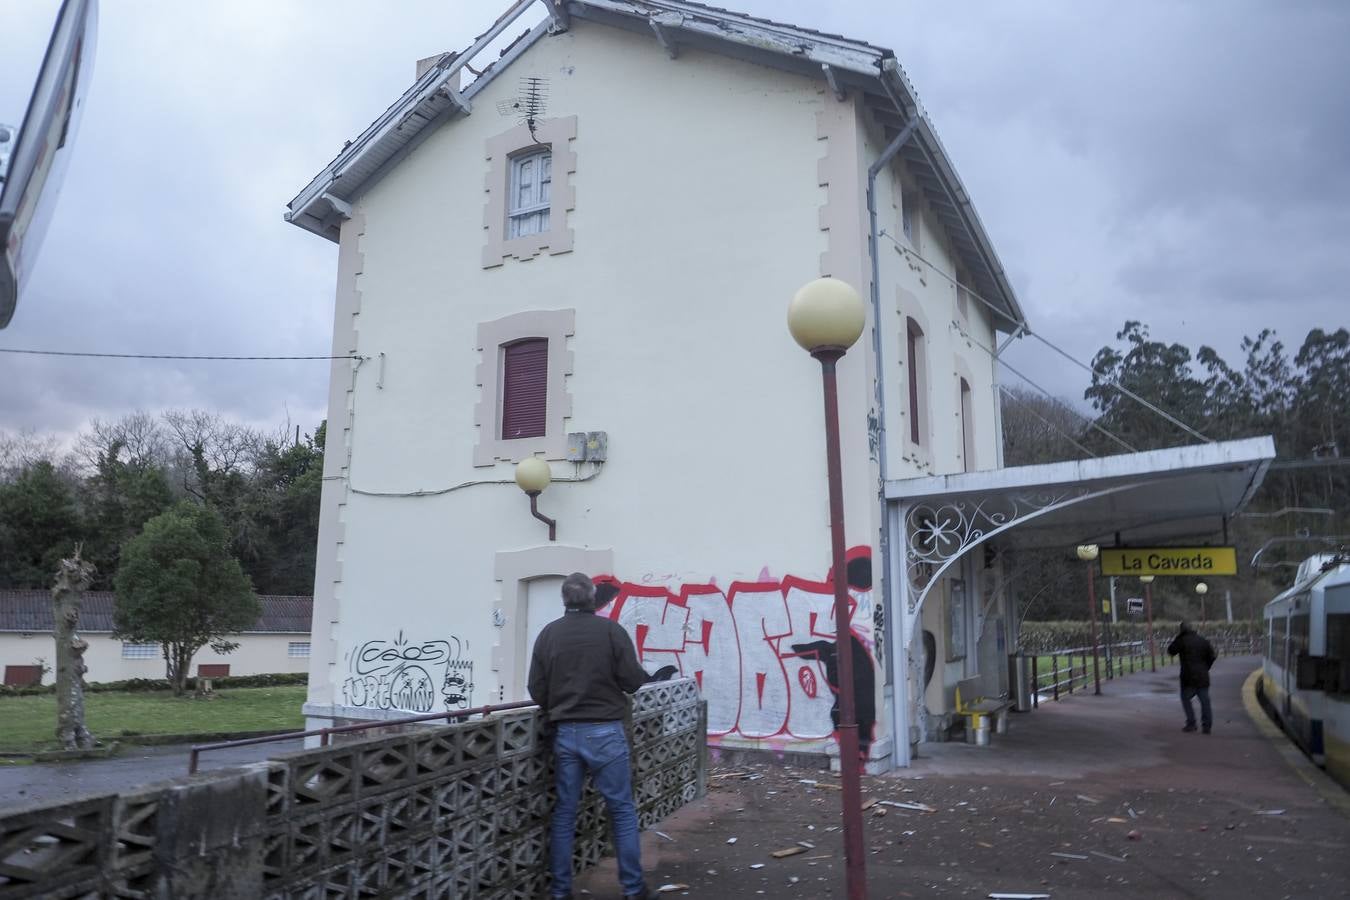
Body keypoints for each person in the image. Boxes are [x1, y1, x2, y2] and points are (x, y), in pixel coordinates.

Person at [528, 573, 660, 900]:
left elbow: (536, 688)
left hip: (564, 734)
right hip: (605, 732)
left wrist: (559, 704)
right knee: (622, 811)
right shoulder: (612, 632)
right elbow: (632, 681)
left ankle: (560, 892)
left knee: (564, 813)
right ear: (592, 598)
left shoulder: (548, 635)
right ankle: (633, 890)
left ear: (564, 600)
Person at [1167, 620, 1217, 733]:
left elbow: (1171, 651)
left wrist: (1178, 637)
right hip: (1203, 676)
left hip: (1188, 676)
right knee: (1205, 701)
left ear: (1182, 630)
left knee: (1185, 698)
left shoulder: (1181, 640)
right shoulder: (1203, 640)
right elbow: (1212, 655)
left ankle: (1191, 723)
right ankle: (1207, 725)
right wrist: (1206, 667)